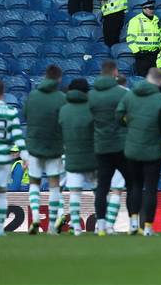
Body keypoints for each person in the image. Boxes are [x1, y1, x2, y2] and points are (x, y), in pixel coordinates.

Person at [115, 68, 161, 236]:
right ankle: (147, 226)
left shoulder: (130, 96)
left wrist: (130, 125)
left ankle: (133, 223)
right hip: (153, 150)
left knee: (134, 186)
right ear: (160, 82)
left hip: (132, 148)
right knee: (151, 189)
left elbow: (118, 116)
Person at [88, 60, 130, 236]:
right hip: (121, 146)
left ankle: (101, 226)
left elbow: (86, 123)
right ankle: (111, 226)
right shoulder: (124, 94)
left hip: (100, 146)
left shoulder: (91, 95)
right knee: (118, 188)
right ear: (115, 72)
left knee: (102, 187)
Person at [23, 65, 66, 234]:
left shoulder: (33, 96)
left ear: (45, 76)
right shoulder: (62, 98)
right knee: (54, 185)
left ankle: (35, 216)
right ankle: (52, 225)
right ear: (59, 79)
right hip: (54, 147)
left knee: (34, 182)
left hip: (34, 146)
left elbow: (25, 115)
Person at [57, 78, 95, 236]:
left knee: (72, 191)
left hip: (69, 154)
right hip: (90, 155)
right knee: (99, 190)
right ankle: (102, 224)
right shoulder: (92, 108)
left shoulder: (64, 110)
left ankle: (71, 223)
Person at [0, 78, 28, 236]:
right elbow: (18, 137)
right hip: (3, 159)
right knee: (1, 193)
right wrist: (25, 156)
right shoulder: (10, 111)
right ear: (3, 93)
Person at [126, 0, 161, 77]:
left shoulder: (157, 20)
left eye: (153, 8)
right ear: (144, 9)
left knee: (154, 78)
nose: (152, 10)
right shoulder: (135, 20)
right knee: (142, 78)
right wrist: (137, 52)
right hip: (142, 56)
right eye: (150, 8)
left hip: (155, 55)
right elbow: (130, 38)